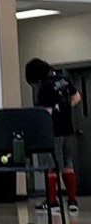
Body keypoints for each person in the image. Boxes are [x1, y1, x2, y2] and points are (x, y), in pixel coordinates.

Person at [25, 58, 82, 213]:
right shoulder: (63, 80)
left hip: (53, 130)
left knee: (51, 166)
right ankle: (72, 201)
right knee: (67, 164)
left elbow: (47, 112)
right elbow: (77, 98)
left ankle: (52, 202)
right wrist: (64, 107)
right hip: (68, 128)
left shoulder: (45, 86)